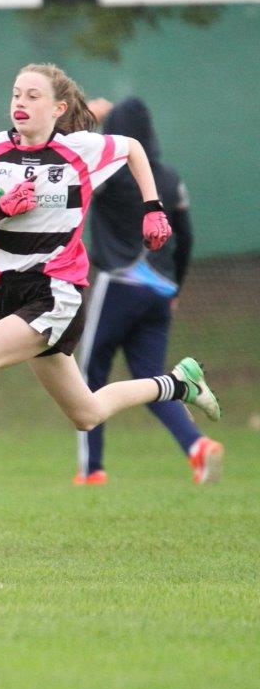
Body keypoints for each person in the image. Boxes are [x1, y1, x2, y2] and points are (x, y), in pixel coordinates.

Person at [0, 64, 221, 539]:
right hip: (14, 293)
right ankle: (178, 384)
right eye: (16, 93)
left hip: (56, 291)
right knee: (87, 414)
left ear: (58, 108)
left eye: (34, 96)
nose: (21, 102)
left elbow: (133, 148)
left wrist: (153, 207)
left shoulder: (78, 149)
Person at [74, 96, 222, 485]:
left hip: (118, 283)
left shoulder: (110, 174)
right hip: (161, 289)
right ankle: (196, 446)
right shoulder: (170, 178)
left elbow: (69, 154)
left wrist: (89, 117)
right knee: (152, 378)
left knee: (90, 374)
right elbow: (186, 237)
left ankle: (92, 469)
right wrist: (175, 288)